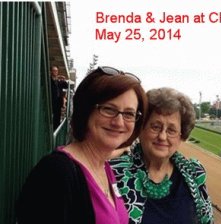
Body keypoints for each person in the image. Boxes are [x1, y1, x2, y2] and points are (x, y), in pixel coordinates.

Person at [17, 66, 147, 224]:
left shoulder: (103, 167)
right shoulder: (56, 173)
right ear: (86, 110)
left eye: (129, 114)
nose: (119, 122)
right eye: (108, 109)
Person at [111, 87, 214, 224]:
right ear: (140, 128)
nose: (162, 136)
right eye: (155, 127)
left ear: (181, 136)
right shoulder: (114, 172)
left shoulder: (194, 172)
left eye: (171, 130)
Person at [50, 65, 69, 130]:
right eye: (54, 70)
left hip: (58, 102)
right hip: (51, 101)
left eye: (56, 71)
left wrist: (64, 79)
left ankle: (55, 130)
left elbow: (66, 86)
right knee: (51, 116)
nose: (55, 72)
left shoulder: (59, 81)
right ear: (51, 72)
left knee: (57, 118)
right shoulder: (49, 80)